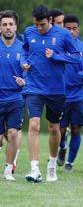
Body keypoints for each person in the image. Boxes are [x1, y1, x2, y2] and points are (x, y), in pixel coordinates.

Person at [22, 5, 81, 182]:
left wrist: (56, 56)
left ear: (50, 21)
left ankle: (52, 166)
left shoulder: (62, 35)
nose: (39, 28)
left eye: (43, 25)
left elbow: (77, 57)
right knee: (33, 125)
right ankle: (34, 169)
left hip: (56, 90)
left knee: (54, 128)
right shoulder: (29, 32)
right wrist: (24, 62)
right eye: (37, 24)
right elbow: (25, 50)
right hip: (34, 87)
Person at [57, 14, 83, 172]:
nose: (71, 31)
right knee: (60, 130)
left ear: (78, 30)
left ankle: (70, 162)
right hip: (61, 95)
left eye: (74, 28)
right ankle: (62, 147)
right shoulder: (58, 46)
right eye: (68, 28)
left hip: (78, 95)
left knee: (76, 128)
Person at [0, 11, 26, 180]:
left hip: (16, 98)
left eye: (11, 24)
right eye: (4, 24)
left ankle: (8, 169)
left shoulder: (24, 47)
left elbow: (31, 70)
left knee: (14, 134)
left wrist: (25, 81)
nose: (8, 28)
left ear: (16, 27)